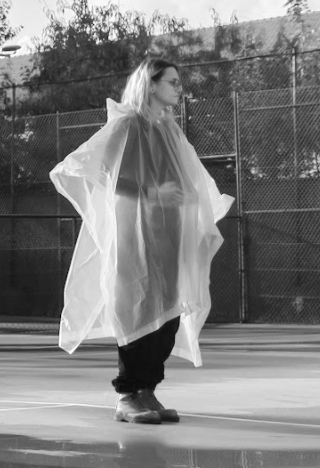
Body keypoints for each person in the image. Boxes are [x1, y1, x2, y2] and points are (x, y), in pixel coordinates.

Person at [50, 54, 233, 424]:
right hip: (135, 236)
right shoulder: (127, 125)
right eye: (173, 82)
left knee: (167, 312)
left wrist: (185, 197)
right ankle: (127, 396)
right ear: (150, 84)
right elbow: (91, 170)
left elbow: (184, 180)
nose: (180, 89)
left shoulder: (168, 129)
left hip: (169, 235)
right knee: (136, 309)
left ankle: (148, 389)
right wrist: (154, 193)